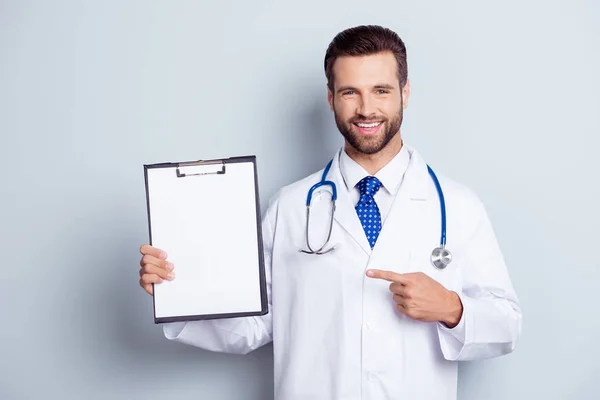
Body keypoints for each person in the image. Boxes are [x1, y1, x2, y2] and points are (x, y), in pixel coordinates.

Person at [138, 25, 522, 400]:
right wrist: (176, 292)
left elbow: (506, 324)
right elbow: (252, 325)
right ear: (330, 97)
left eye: (381, 91)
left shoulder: (457, 206)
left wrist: (452, 309)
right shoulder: (289, 207)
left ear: (405, 93)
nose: (366, 108)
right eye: (350, 92)